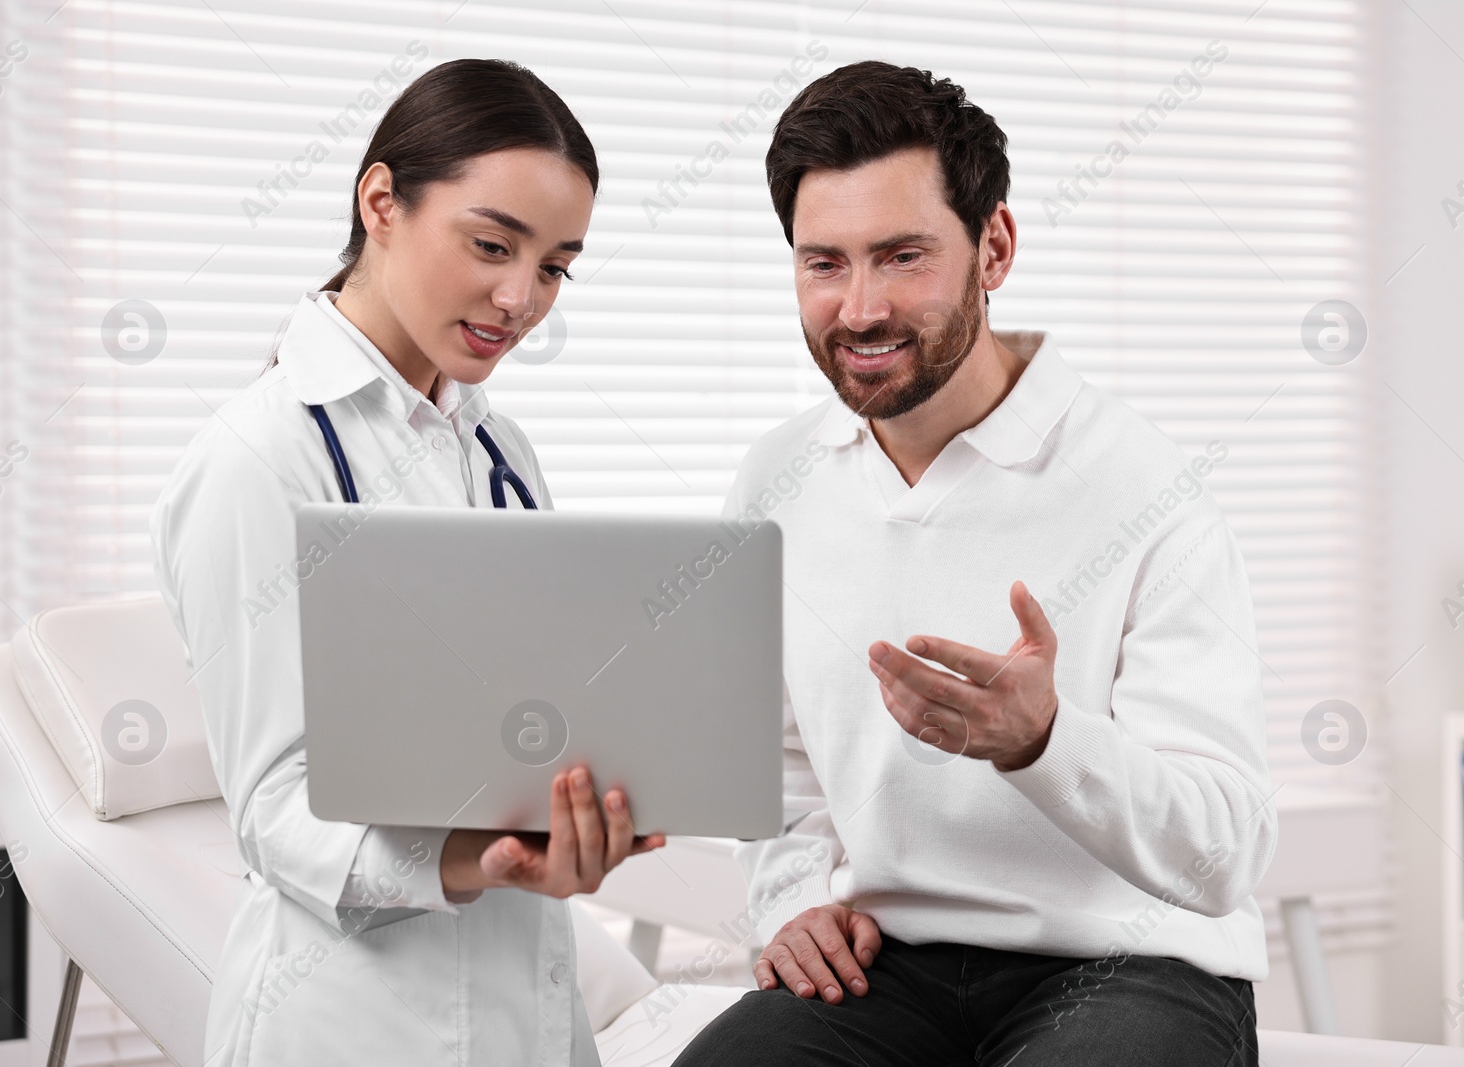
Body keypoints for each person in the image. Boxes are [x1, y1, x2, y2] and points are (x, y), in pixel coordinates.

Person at [674, 61, 1275, 1066]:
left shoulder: (1143, 484)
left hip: (1133, 962)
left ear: (992, 246)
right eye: (824, 263)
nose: (858, 309)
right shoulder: (777, 477)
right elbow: (773, 766)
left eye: (901, 256)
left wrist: (1042, 739)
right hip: (888, 960)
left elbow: (1222, 852)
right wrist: (787, 897)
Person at [150, 59, 662, 1066]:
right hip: (351, 1021)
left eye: (556, 265)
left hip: (530, 1006)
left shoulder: (502, 451)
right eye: (489, 244)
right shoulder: (257, 459)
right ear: (380, 200)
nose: (520, 297)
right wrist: (491, 861)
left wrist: (589, 801)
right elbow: (273, 812)